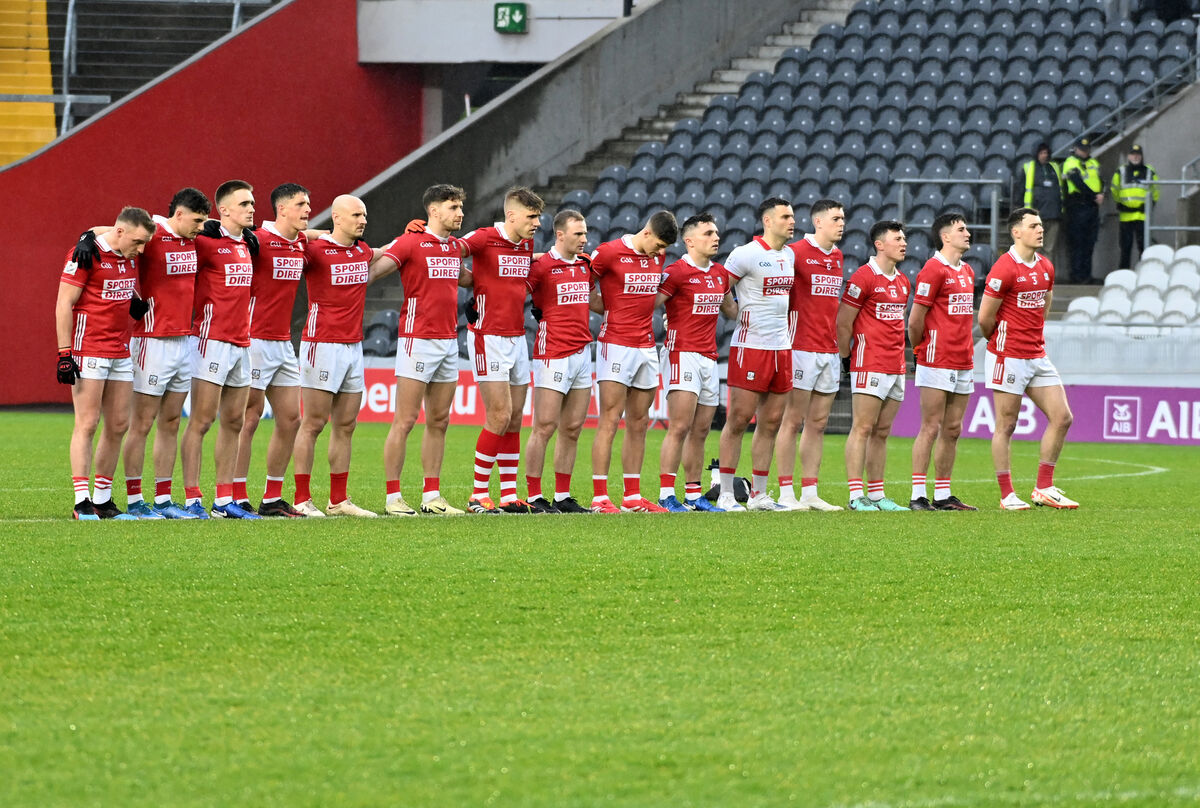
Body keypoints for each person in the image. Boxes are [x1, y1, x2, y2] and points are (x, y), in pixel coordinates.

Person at [371, 184, 468, 517]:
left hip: (447, 340)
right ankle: (393, 497)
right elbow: (373, 272)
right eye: (453, 207)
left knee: (440, 420)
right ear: (434, 210)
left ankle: (432, 497)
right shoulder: (411, 241)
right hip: (417, 339)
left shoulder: (455, 247)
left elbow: (469, 278)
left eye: (460, 207)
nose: (460, 213)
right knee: (406, 420)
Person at [114, 188, 210, 519]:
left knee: (170, 421)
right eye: (196, 220)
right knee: (141, 423)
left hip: (185, 341)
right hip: (152, 341)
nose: (200, 227)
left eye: (203, 221)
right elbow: (112, 233)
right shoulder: (153, 232)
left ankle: (164, 500)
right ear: (179, 214)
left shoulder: (194, 239)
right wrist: (87, 238)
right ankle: (134, 500)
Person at [55, 207, 155, 519]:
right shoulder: (85, 254)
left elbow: (120, 280)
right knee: (87, 423)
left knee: (118, 425)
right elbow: (63, 304)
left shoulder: (126, 254)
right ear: (121, 232)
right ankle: (81, 500)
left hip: (119, 349)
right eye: (138, 242)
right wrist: (63, 353)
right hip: (89, 349)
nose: (141, 250)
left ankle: (103, 499)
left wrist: (135, 298)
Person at [979, 207, 1077, 510]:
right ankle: (1007, 494)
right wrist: (1002, 341)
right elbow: (985, 318)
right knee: (1006, 425)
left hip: (1037, 354)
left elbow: (1044, 306)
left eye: (1041, 225)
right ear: (1016, 232)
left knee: (1062, 417)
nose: (1040, 230)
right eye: (1033, 225)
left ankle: (1044, 488)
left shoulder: (1046, 266)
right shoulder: (1004, 268)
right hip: (1008, 356)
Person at [180, 180, 263, 519]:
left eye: (253, 203)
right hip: (210, 341)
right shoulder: (204, 241)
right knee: (201, 421)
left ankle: (224, 500)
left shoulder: (248, 242)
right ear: (224, 209)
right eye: (244, 204)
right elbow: (163, 228)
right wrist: (89, 237)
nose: (252, 209)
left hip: (242, 343)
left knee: (234, 421)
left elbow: (302, 235)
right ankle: (191, 498)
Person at [291, 194, 378, 517]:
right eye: (356, 214)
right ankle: (301, 499)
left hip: (353, 346)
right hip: (321, 344)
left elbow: (385, 254)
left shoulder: (363, 251)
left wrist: (408, 240)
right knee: (313, 423)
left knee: (347, 424)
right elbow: (288, 239)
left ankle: (339, 500)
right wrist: (315, 234)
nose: (363, 220)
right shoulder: (315, 251)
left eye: (364, 214)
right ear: (337, 218)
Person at [459, 187, 544, 514]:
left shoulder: (526, 244)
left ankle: (508, 494)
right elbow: (451, 251)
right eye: (531, 216)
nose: (537, 223)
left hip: (516, 336)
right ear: (511, 215)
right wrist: (468, 280)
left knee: (514, 418)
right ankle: (477, 494)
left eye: (538, 217)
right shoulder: (483, 237)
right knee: (499, 414)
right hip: (487, 337)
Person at [588, 210, 679, 514]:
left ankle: (632, 496)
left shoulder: (658, 256)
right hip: (615, 344)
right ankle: (600, 497)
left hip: (646, 346)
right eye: (658, 245)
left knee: (639, 422)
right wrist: (610, 310)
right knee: (610, 420)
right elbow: (583, 286)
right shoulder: (608, 253)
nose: (660, 252)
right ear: (647, 233)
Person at [233, 183, 311, 517]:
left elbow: (323, 234)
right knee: (248, 418)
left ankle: (272, 497)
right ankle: (233, 496)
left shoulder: (302, 241)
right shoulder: (256, 241)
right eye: (301, 204)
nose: (308, 209)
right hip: (254, 341)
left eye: (309, 204)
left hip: (282, 343)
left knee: (291, 418)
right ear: (281, 209)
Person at [716, 197, 796, 512]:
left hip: (781, 348)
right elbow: (720, 286)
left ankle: (759, 494)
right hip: (751, 347)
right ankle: (724, 492)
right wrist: (734, 312)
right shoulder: (745, 254)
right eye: (785, 216)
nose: (792, 221)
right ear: (767, 220)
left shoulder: (789, 254)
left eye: (792, 216)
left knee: (772, 421)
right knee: (738, 419)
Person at [655, 213, 736, 512]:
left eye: (716, 232)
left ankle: (693, 495)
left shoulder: (719, 274)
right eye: (708, 233)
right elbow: (650, 304)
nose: (716, 238)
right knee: (679, 426)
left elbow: (731, 310)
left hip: (709, 358)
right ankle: (666, 494)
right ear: (689, 240)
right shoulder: (675, 272)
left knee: (701, 430)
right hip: (681, 354)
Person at [521, 209, 596, 514]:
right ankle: (534, 495)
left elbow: (594, 299)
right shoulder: (540, 267)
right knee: (545, 426)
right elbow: (514, 289)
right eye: (578, 234)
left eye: (586, 233)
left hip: (582, 353)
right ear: (561, 234)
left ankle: (563, 496)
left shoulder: (586, 265)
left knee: (573, 427)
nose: (584, 239)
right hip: (552, 353)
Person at [776, 198, 846, 512]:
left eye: (842, 218)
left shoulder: (838, 257)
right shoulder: (795, 253)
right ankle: (785, 492)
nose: (841, 223)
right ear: (818, 222)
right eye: (835, 218)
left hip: (828, 350)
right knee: (791, 421)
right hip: (800, 348)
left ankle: (810, 492)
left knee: (817, 424)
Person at [837, 220, 911, 512]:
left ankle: (878, 495)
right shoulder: (863, 277)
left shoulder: (903, 281)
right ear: (879, 244)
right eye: (897, 238)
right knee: (862, 428)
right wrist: (847, 359)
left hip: (896, 365)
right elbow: (844, 322)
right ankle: (856, 496)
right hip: (870, 363)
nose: (904, 243)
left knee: (882, 431)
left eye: (904, 238)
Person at [908, 212, 978, 511]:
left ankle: (943, 494)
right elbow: (915, 321)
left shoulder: (967, 271)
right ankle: (917, 495)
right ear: (945, 236)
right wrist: (921, 351)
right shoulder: (933, 270)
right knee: (931, 427)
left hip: (963, 360)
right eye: (961, 229)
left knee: (953, 428)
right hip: (936, 359)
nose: (968, 234)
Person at [1062, 137, 1104, 283]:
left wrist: (1101, 193)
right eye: (1082, 149)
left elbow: (1100, 180)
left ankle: (1087, 275)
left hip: (1092, 207)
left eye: (1086, 149)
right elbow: (1077, 182)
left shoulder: (1093, 163)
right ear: (1076, 149)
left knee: (1089, 242)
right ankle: (1077, 275)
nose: (1085, 152)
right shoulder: (1070, 162)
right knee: (1078, 242)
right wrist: (1094, 196)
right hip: (1078, 205)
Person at [1111, 144, 1159, 269]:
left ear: (1142, 156)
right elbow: (1114, 189)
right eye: (1133, 154)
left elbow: (1156, 191)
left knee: (1143, 248)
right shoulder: (1121, 171)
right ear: (1128, 156)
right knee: (1125, 247)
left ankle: (1143, 271)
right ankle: (1124, 273)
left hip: (1142, 216)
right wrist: (1120, 203)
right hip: (1126, 216)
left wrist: (1150, 205)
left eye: (1138, 154)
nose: (1135, 157)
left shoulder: (1149, 171)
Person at [1018, 143, 1063, 265]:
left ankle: (1046, 274)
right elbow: (1020, 191)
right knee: (1034, 247)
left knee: (1049, 247)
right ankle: (1034, 274)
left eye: (1046, 153)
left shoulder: (1055, 167)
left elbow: (1061, 190)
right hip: (1035, 215)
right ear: (1036, 154)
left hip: (1053, 214)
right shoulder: (1028, 168)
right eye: (1042, 153)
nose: (1044, 155)